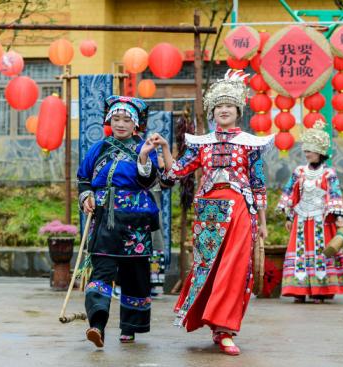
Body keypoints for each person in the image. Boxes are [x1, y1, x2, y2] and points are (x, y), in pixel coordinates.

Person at [151, 70, 272, 356]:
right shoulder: (201, 144)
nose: (224, 110)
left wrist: (263, 223)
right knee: (208, 266)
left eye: (229, 105)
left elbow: (258, 183)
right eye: (219, 106)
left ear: (238, 110)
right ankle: (212, 322)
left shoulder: (249, 144)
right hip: (208, 211)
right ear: (212, 111)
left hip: (242, 210)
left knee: (234, 268)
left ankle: (225, 329)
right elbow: (176, 171)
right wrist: (167, 148)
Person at [77, 95, 160, 347]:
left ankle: (130, 328)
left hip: (136, 220)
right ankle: (97, 326)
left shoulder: (143, 147)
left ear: (136, 124)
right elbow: (84, 178)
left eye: (126, 119)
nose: (120, 123)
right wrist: (87, 195)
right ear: (109, 120)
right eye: (116, 119)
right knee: (101, 271)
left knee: (135, 274)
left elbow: (149, 181)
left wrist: (144, 157)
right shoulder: (98, 148)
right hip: (104, 218)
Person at [277, 120, 343, 303]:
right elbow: (290, 192)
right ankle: (299, 291)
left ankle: (320, 291)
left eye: (310, 151)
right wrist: (288, 215)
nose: (307, 154)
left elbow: (335, 194)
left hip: (321, 219)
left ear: (320, 152)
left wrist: (339, 216)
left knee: (320, 253)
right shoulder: (299, 171)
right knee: (300, 253)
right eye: (306, 151)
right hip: (301, 218)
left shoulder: (329, 174)